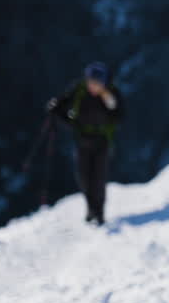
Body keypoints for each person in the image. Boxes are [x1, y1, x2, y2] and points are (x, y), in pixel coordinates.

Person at [47, 62, 123, 226]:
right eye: (91, 82)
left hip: (102, 141)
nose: (93, 86)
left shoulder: (110, 94)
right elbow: (61, 104)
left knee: (99, 178)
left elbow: (118, 114)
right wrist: (58, 111)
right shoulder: (79, 90)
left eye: (97, 83)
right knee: (84, 177)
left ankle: (99, 213)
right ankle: (90, 208)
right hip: (82, 140)